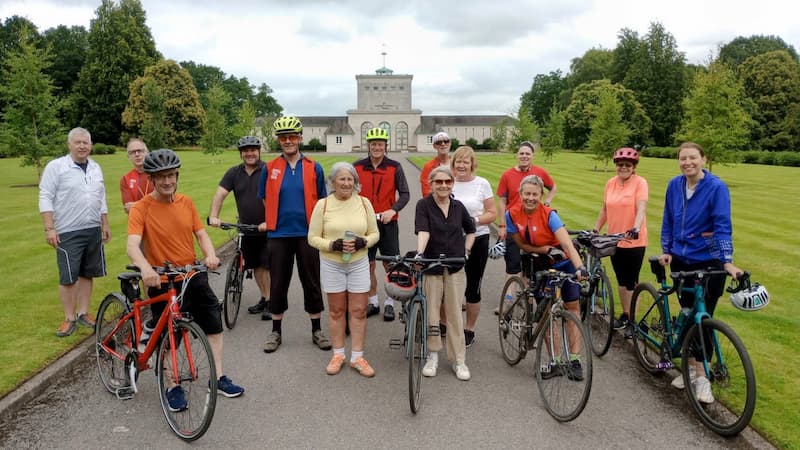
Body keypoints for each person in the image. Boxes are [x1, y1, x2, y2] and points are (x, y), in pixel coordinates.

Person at [127, 149, 244, 406]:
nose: (167, 181)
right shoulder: (141, 208)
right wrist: (146, 269)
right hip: (161, 279)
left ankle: (219, 377)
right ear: (151, 178)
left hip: (191, 275)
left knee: (213, 323)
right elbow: (132, 245)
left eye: (171, 175)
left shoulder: (186, 202)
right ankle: (172, 385)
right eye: (161, 177)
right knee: (170, 336)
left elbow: (200, 234)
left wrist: (210, 255)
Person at [658, 142, 742, 404]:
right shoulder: (675, 185)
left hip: (708, 262)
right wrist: (667, 249)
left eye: (693, 158)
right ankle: (691, 369)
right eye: (683, 158)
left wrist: (726, 261)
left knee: (703, 318)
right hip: (681, 261)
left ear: (703, 159)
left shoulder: (716, 188)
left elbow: (721, 225)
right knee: (687, 313)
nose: (687, 163)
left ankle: (702, 378)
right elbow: (668, 219)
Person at [258, 115, 331, 353]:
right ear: (279, 140)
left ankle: (317, 330)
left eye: (292, 137)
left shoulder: (313, 167)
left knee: (311, 281)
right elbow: (263, 198)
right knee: (278, 282)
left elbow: (322, 201)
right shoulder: (269, 168)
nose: (288, 141)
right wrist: (270, 221)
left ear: (300, 138)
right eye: (283, 137)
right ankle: (275, 332)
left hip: (307, 234)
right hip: (279, 235)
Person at [506, 175, 588, 379]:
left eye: (535, 194)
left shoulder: (550, 215)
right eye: (527, 194)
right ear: (521, 194)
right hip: (539, 263)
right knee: (546, 315)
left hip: (564, 262)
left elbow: (568, 245)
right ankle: (556, 361)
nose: (531, 198)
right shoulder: (512, 214)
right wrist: (545, 249)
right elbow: (522, 245)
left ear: (541, 195)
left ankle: (575, 359)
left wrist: (580, 268)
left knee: (573, 307)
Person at [308, 162, 380, 377]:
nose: (346, 183)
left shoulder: (365, 203)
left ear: (355, 182)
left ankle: (357, 357)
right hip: (332, 263)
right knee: (336, 310)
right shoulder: (323, 205)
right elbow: (312, 237)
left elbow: (375, 233)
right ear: (333, 182)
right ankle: (338, 354)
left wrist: (363, 242)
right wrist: (332, 245)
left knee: (358, 311)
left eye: (350, 179)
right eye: (342, 179)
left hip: (358, 262)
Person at [39, 127, 110, 337]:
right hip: (68, 230)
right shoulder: (57, 167)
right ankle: (69, 318)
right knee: (68, 277)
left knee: (88, 273)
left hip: (92, 228)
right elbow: (45, 196)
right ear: (69, 145)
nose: (82, 146)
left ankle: (83, 313)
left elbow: (101, 197)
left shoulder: (96, 167)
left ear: (90, 145)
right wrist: (49, 227)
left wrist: (104, 224)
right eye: (78, 142)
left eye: (85, 143)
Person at [416, 166, 475, 381]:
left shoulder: (459, 207)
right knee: (432, 312)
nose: (443, 186)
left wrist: (467, 250)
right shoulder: (423, 205)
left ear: (452, 184)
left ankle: (459, 359)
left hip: (456, 265)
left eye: (447, 182)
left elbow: (471, 230)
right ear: (431, 184)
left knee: (454, 315)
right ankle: (432, 355)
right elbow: (423, 230)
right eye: (438, 182)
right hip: (432, 265)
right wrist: (421, 253)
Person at [208, 136, 272, 321]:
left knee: (265, 265)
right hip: (246, 227)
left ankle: (271, 301)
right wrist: (214, 216)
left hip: (266, 228)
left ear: (259, 151)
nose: (249, 153)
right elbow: (220, 194)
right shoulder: (233, 173)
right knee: (255, 266)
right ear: (241, 153)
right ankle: (265, 298)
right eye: (245, 150)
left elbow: (277, 197)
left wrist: (269, 221)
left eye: (253, 150)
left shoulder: (268, 170)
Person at [353, 127, 410, 321]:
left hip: (388, 223)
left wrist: (393, 210)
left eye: (380, 144)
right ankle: (374, 301)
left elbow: (405, 194)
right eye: (373, 144)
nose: (377, 147)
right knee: (366, 265)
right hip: (364, 224)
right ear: (368, 146)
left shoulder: (395, 166)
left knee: (390, 264)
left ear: (386, 146)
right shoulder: (357, 167)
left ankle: (389, 303)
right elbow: (348, 192)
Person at [495, 141, 557, 313]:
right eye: (521, 153)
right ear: (517, 155)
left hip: (534, 227)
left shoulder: (539, 173)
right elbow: (501, 200)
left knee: (530, 267)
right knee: (513, 265)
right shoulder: (508, 175)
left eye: (527, 154)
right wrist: (501, 224)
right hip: (514, 225)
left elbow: (552, 187)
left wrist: (547, 202)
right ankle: (507, 302)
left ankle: (523, 297)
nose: (524, 156)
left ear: (532, 156)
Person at [594, 147, 648, 337]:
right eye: (620, 164)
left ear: (633, 167)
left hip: (634, 241)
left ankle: (633, 321)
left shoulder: (640, 183)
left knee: (631, 282)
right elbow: (605, 209)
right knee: (621, 280)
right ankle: (625, 314)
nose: (623, 168)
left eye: (628, 165)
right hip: (614, 240)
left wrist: (635, 228)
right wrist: (596, 228)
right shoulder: (610, 183)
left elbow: (641, 208)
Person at [450, 146, 497, 347]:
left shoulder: (482, 184)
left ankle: (469, 329)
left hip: (478, 238)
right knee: (447, 283)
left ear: (472, 164)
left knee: (472, 286)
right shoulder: (447, 182)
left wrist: (473, 221)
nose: (461, 165)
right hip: (450, 240)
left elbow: (492, 212)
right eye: (458, 161)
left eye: (465, 162)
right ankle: (444, 323)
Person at [120, 138, 153, 214]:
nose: (137, 154)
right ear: (129, 156)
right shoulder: (125, 179)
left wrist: (136, 205)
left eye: (140, 151)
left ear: (146, 152)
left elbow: (163, 201)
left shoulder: (158, 174)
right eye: (132, 152)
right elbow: (128, 208)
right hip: (138, 223)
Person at [419, 131, 452, 197]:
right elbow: (426, 192)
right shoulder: (428, 167)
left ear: (450, 143)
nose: (443, 144)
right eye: (439, 142)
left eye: (446, 141)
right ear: (434, 146)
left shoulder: (457, 164)